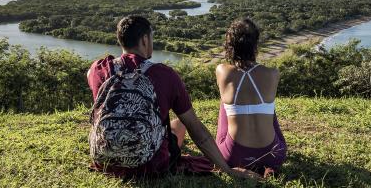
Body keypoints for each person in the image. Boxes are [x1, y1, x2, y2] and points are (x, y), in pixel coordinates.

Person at [87, 15, 259, 179]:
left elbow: (91, 78)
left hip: (106, 162)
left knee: (176, 126)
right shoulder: (164, 75)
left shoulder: (99, 69)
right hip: (150, 166)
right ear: (145, 40)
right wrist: (227, 169)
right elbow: (197, 131)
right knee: (181, 123)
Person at [215, 18, 287, 174]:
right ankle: (266, 166)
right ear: (255, 45)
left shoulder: (222, 71)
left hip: (234, 156)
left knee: (225, 100)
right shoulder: (272, 74)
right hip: (273, 156)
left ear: (230, 46)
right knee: (268, 104)